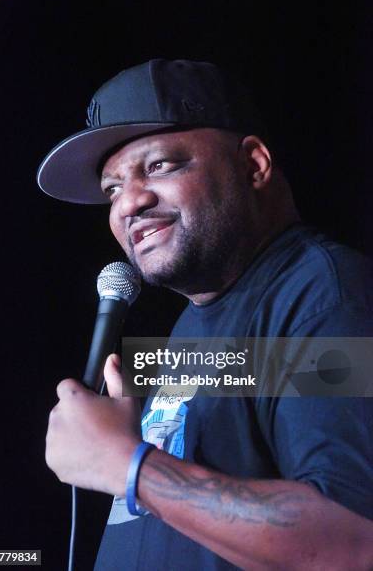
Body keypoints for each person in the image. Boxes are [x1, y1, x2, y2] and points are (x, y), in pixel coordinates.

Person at [39, 59, 373, 570]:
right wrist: (128, 451)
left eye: (159, 165)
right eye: (111, 189)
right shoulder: (192, 327)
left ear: (254, 165)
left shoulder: (324, 296)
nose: (130, 202)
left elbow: (353, 544)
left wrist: (131, 468)